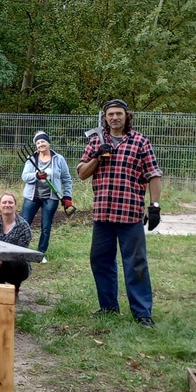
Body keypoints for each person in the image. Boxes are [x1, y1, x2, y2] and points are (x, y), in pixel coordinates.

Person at [77, 99, 162, 327]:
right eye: (110, 114)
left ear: (127, 116)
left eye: (119, 114)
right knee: (101, 261)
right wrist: (97, 156)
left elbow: (153, 174)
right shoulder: (96, 141)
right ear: (105, 118)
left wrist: (155, 206)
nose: (115, 118)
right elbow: (82, 173)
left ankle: (142, 313)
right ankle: (108, 307)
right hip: (103, 214)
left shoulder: (140, 142)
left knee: (136, 264)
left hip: (129, 213)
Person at [20, 131, 73, 264]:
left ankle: (40, 254)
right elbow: (25, 176)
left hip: (51, 197)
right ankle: (21, 251)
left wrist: (67, 196)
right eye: (38, 143)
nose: (41, 144)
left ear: (48, 142)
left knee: (46, 226)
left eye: (43, 141)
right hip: (32, 196)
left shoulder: (58, 159)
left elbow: (66, 178)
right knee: (24, 223)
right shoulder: (31, 159)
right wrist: (36, 175)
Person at [0, 192, 33, 295]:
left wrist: (1, 260)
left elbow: (22, 253)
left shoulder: (23, 226)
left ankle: (15, 286)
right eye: (4, 202)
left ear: (15, 206)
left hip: (15, 263)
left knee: (19, 263)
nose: (7, 205)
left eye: (10, 202)